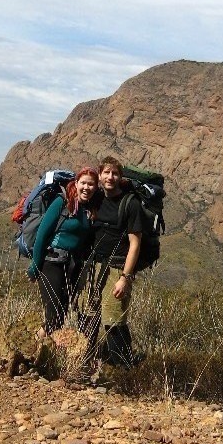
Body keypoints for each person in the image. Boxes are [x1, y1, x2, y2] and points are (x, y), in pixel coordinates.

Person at [80, 156, 144, 368]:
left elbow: (135, 244)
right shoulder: (96, 197)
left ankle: (125, 372)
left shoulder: (130, 203)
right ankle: (84, 363)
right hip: (93, 267)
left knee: (114, 322)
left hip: (117, 269)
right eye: (106, 172)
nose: (110, 177)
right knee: (87, 317)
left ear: (120, 176)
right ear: (100, 175)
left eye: (114, 173)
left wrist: (125, 278)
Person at [27, 166, 100, 336]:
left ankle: (46, 352)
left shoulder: (90, 208)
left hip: (72, 267)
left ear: (96, 187)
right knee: (53, 317)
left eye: (91, 184)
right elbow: (42, 235)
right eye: (83, 183)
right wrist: (35, 266)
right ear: (76, 183)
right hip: (52, 263)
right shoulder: (62, 202)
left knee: (61, 316)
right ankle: (34, 349)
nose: (86, 188)